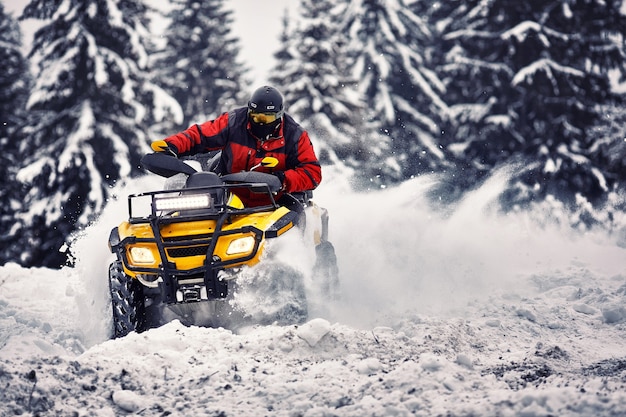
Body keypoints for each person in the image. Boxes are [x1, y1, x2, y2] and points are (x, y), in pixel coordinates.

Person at [151, 85, 321, 209]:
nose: (260, 122)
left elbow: (313, 172)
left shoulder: (295, 135)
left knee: (294, 224)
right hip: (229, 198)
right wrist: (172, 145)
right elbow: (201, 134)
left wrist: (282, 180)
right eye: (255, 117)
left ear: (279, 116)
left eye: (266, 119)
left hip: (276, 201)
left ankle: (296, 257)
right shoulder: (234, 122)